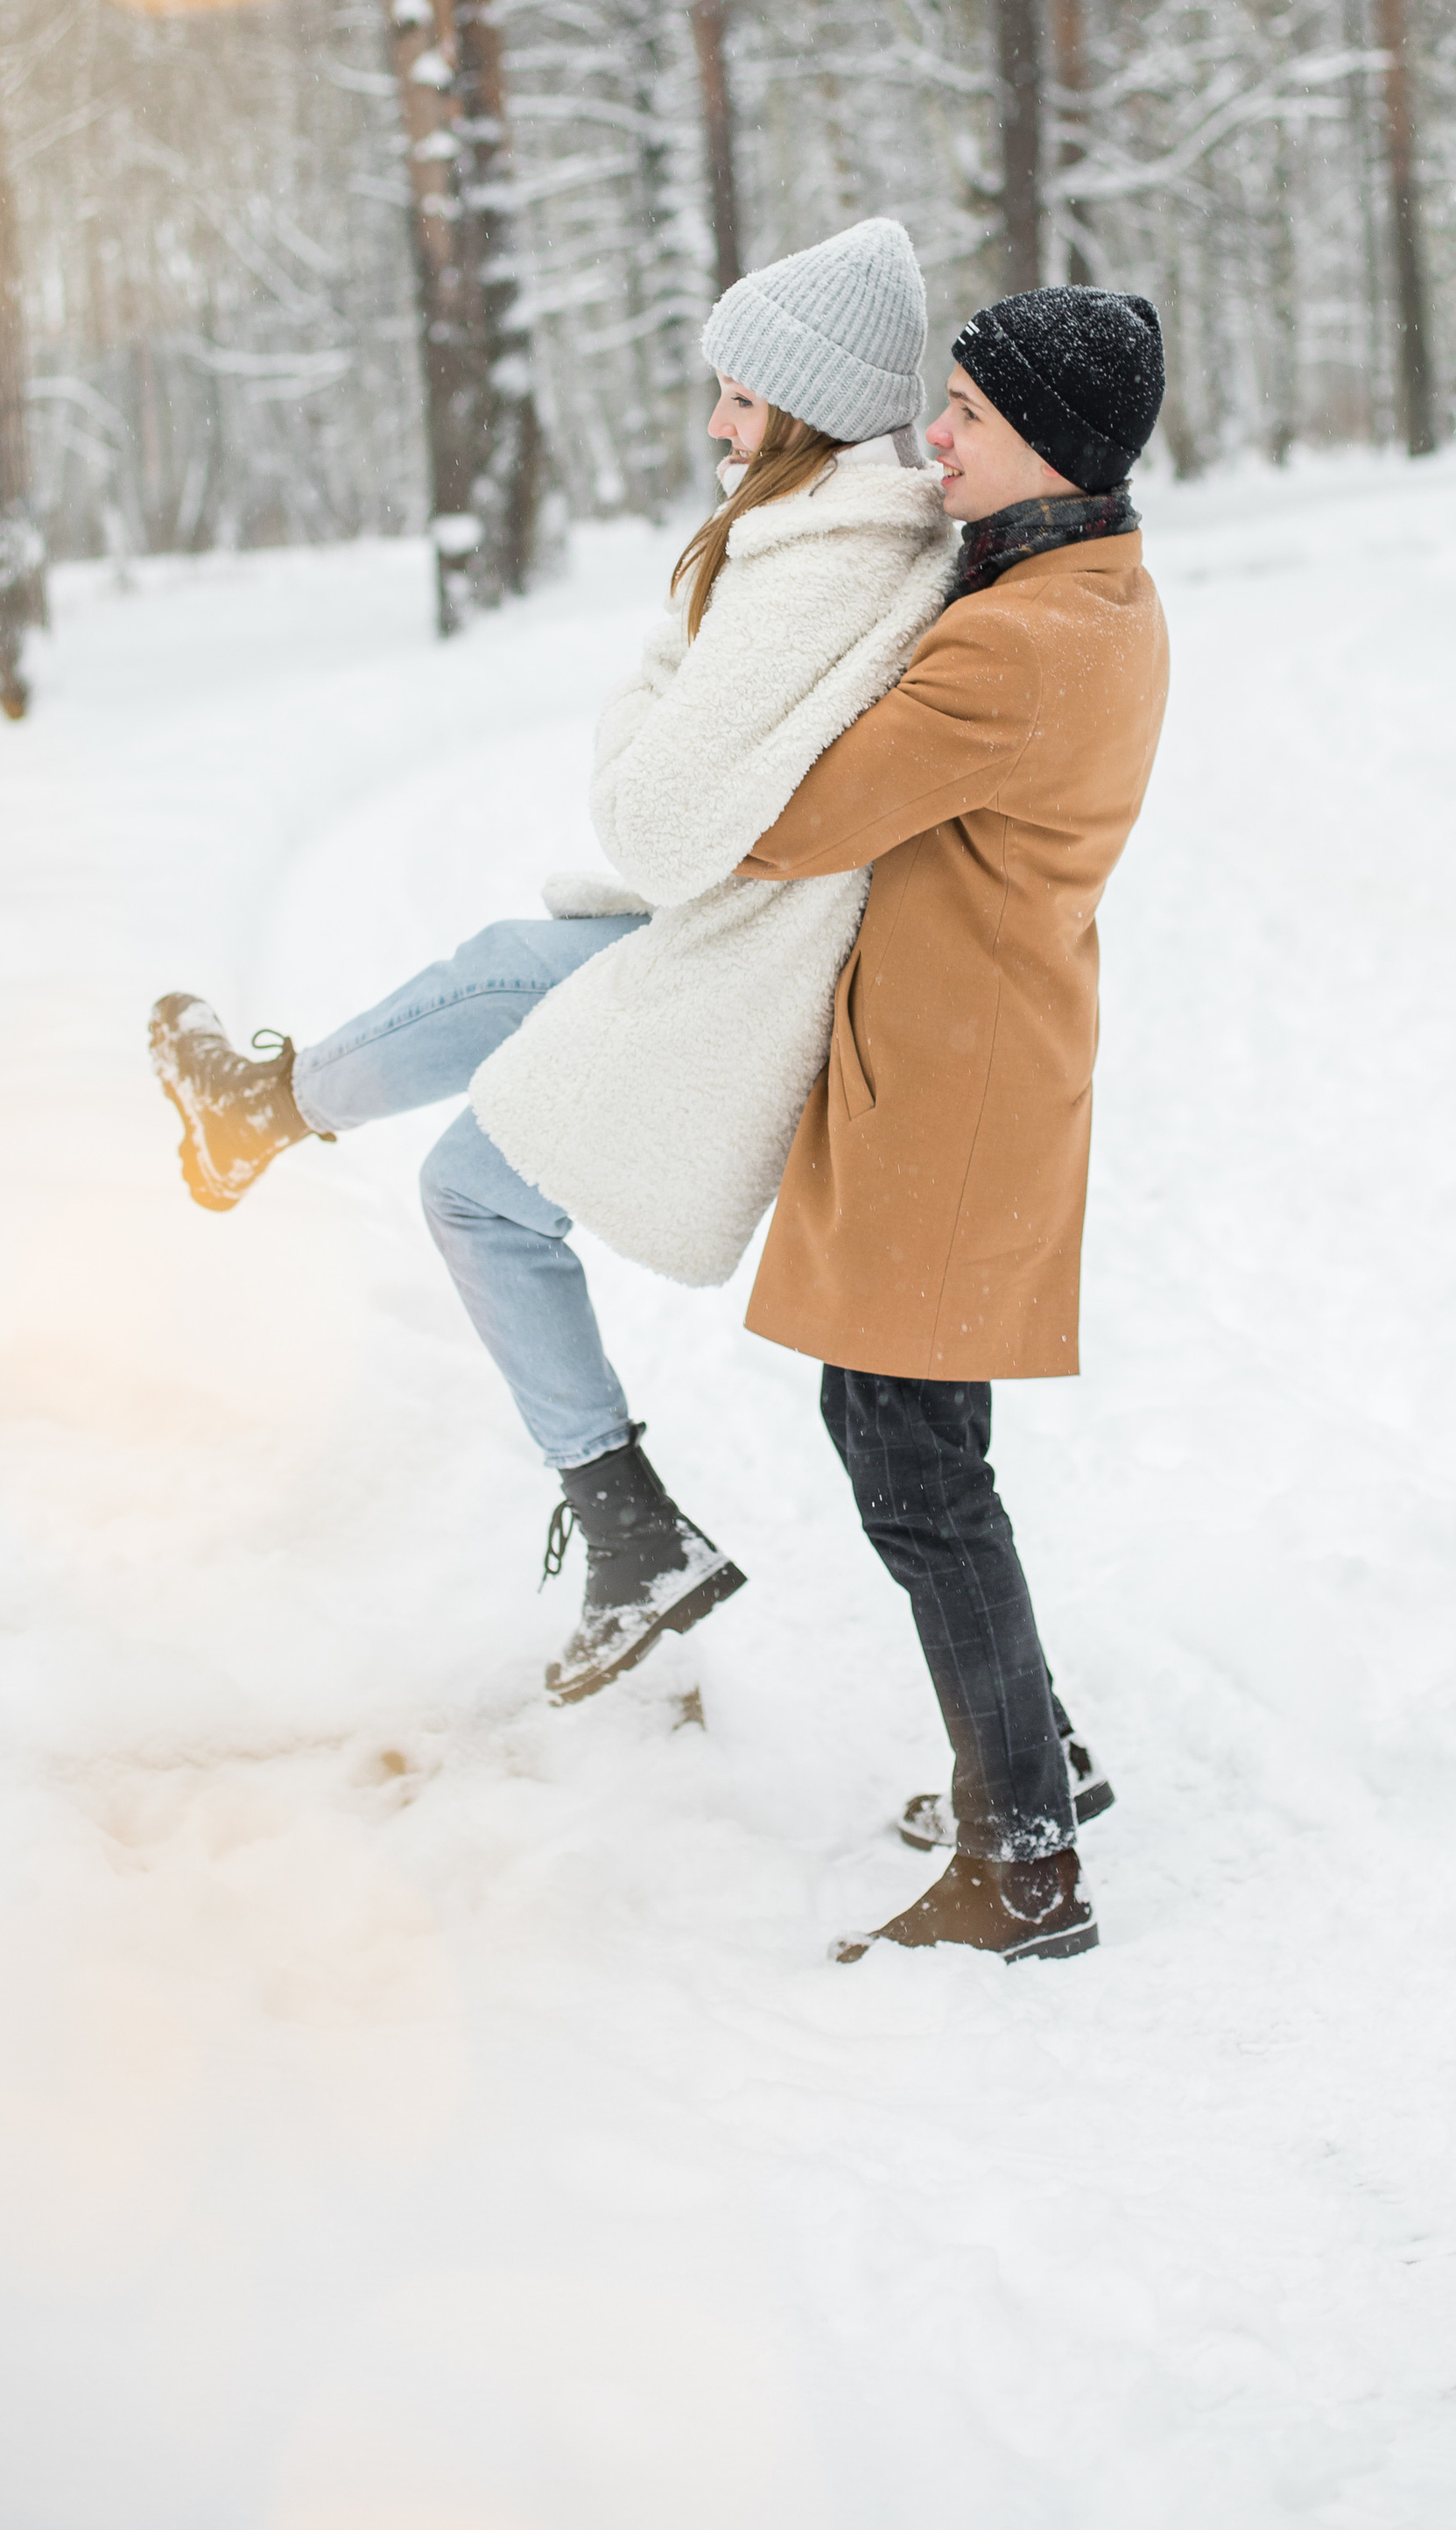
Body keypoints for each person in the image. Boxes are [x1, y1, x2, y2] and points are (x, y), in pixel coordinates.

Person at [149, 218, 954, 1704]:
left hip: (740, 960)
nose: (717, 421)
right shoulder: (847, 532)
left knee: (477, 1157)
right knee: (501, 985)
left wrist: (660, 669)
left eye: (741, 395)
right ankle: (264, 1119)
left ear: (813, 403)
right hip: (742, 937)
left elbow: (647, 816)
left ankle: (624, 1521)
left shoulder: (810, 564)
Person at [733, 283, 1170, 1965]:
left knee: (917, 1469)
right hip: (973, 1064)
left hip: (954, 1090)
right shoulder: (1084, 590)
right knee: (911, 1442)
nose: (934, 438)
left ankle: (1028, 1862)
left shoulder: (1015, 643)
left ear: (1048, 444)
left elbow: (794, 821)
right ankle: (1035, 1752)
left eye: (970, 416)